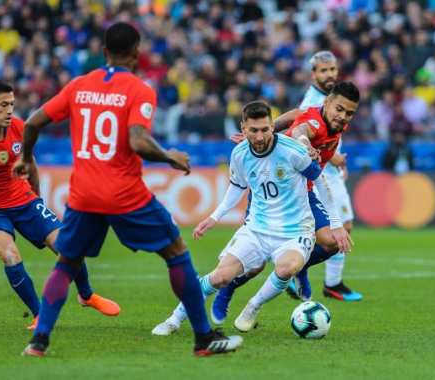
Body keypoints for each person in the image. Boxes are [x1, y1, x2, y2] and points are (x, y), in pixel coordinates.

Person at [15, 22, 242, 357]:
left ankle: (38, 342)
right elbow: (137, 141)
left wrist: (27, 158)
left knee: (66, 263)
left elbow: (33, 121)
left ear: (104, 52)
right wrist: (169, 157)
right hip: (124, 194)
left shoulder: (78, 86)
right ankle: (203, 339)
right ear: (137, 52)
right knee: (176, 252)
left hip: (83, 195)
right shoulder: (139, 90)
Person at [0, 79, 119, 331]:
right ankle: (39, 314)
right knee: (10, 255)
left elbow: (30, 164)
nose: (10, 110)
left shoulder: (18, 128)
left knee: (69, 246)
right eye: (3, 105)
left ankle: (87, 295)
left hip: (24, 201)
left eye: (12, 104)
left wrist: (37, 198)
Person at [152, 100, 319, 336]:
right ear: (243, 128)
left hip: (295, 230)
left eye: (264, 129)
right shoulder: (239, 154)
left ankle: (253, 306)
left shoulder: (292, 151)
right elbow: (237, 187)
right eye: (253, 130)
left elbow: (315, 177)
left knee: (287, 268)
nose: (260, 136)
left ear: (272, 126)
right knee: (220, 277)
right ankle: (174, 319)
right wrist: (214, 217)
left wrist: (310, 151)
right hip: (257, 228)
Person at [213, 81, 360, 329]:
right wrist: (296, 140)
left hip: (303, 193)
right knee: (254, 265)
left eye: (349, 113)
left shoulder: (330, 120)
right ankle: (227, 289)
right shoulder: (315, 123)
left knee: (333, 242)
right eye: (339, 109)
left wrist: (273, 128)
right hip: (271, 195)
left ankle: (299, 268)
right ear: (327, 103)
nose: (343, 116)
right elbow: (303, 128)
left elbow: (294, 115)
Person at [285, 51, 363, 302]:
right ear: (314, 74)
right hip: (320, 171)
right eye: (323, 70)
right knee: (338, 229)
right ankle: (319, 276)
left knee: (343, 227)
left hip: (328, 166)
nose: (329, 74)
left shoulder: (337, 99)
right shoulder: (316, 98)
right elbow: (299, 122)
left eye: (332, 69)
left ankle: (326, 279)